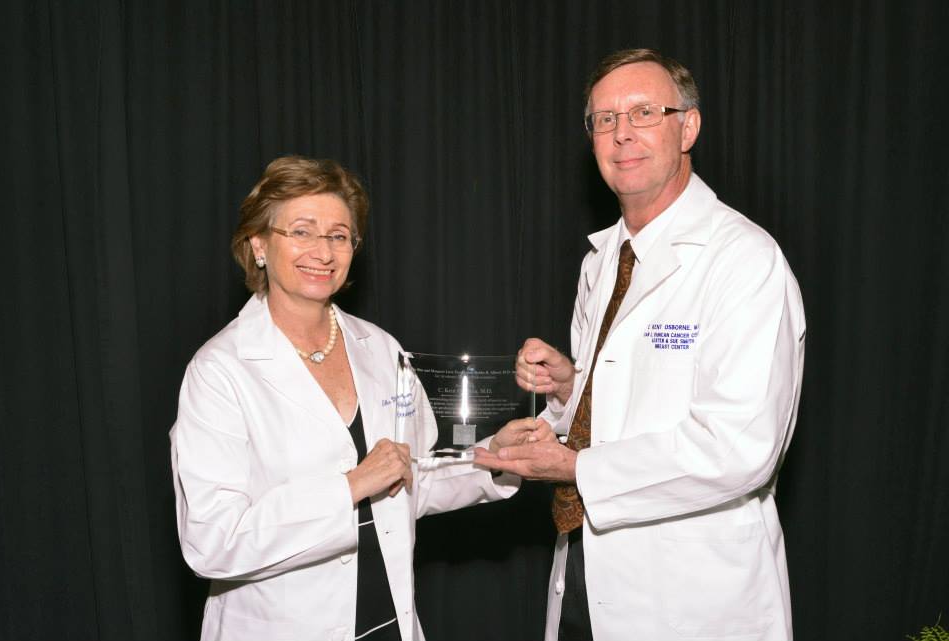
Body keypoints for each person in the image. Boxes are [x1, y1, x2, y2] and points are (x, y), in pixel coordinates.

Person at [474, 49, 806, 641]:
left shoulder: (744, 260)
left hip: (690, 600)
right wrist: (569, 386)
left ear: (689, 126)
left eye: (644, 112)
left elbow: (740, 448)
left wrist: (576, 466)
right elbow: (624, 405)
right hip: (584, 577)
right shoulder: (600, 263)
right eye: (604, 119)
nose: (621, 133)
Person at [170, 156, 547, 641]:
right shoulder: (219, 370)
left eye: (339, 235)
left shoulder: (381, 348)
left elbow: (416, 479)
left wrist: (494, 458)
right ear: (258, 244)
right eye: (302, 231)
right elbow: (211, 543)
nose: (323, 251)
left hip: (388, 625)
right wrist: (350, 486)